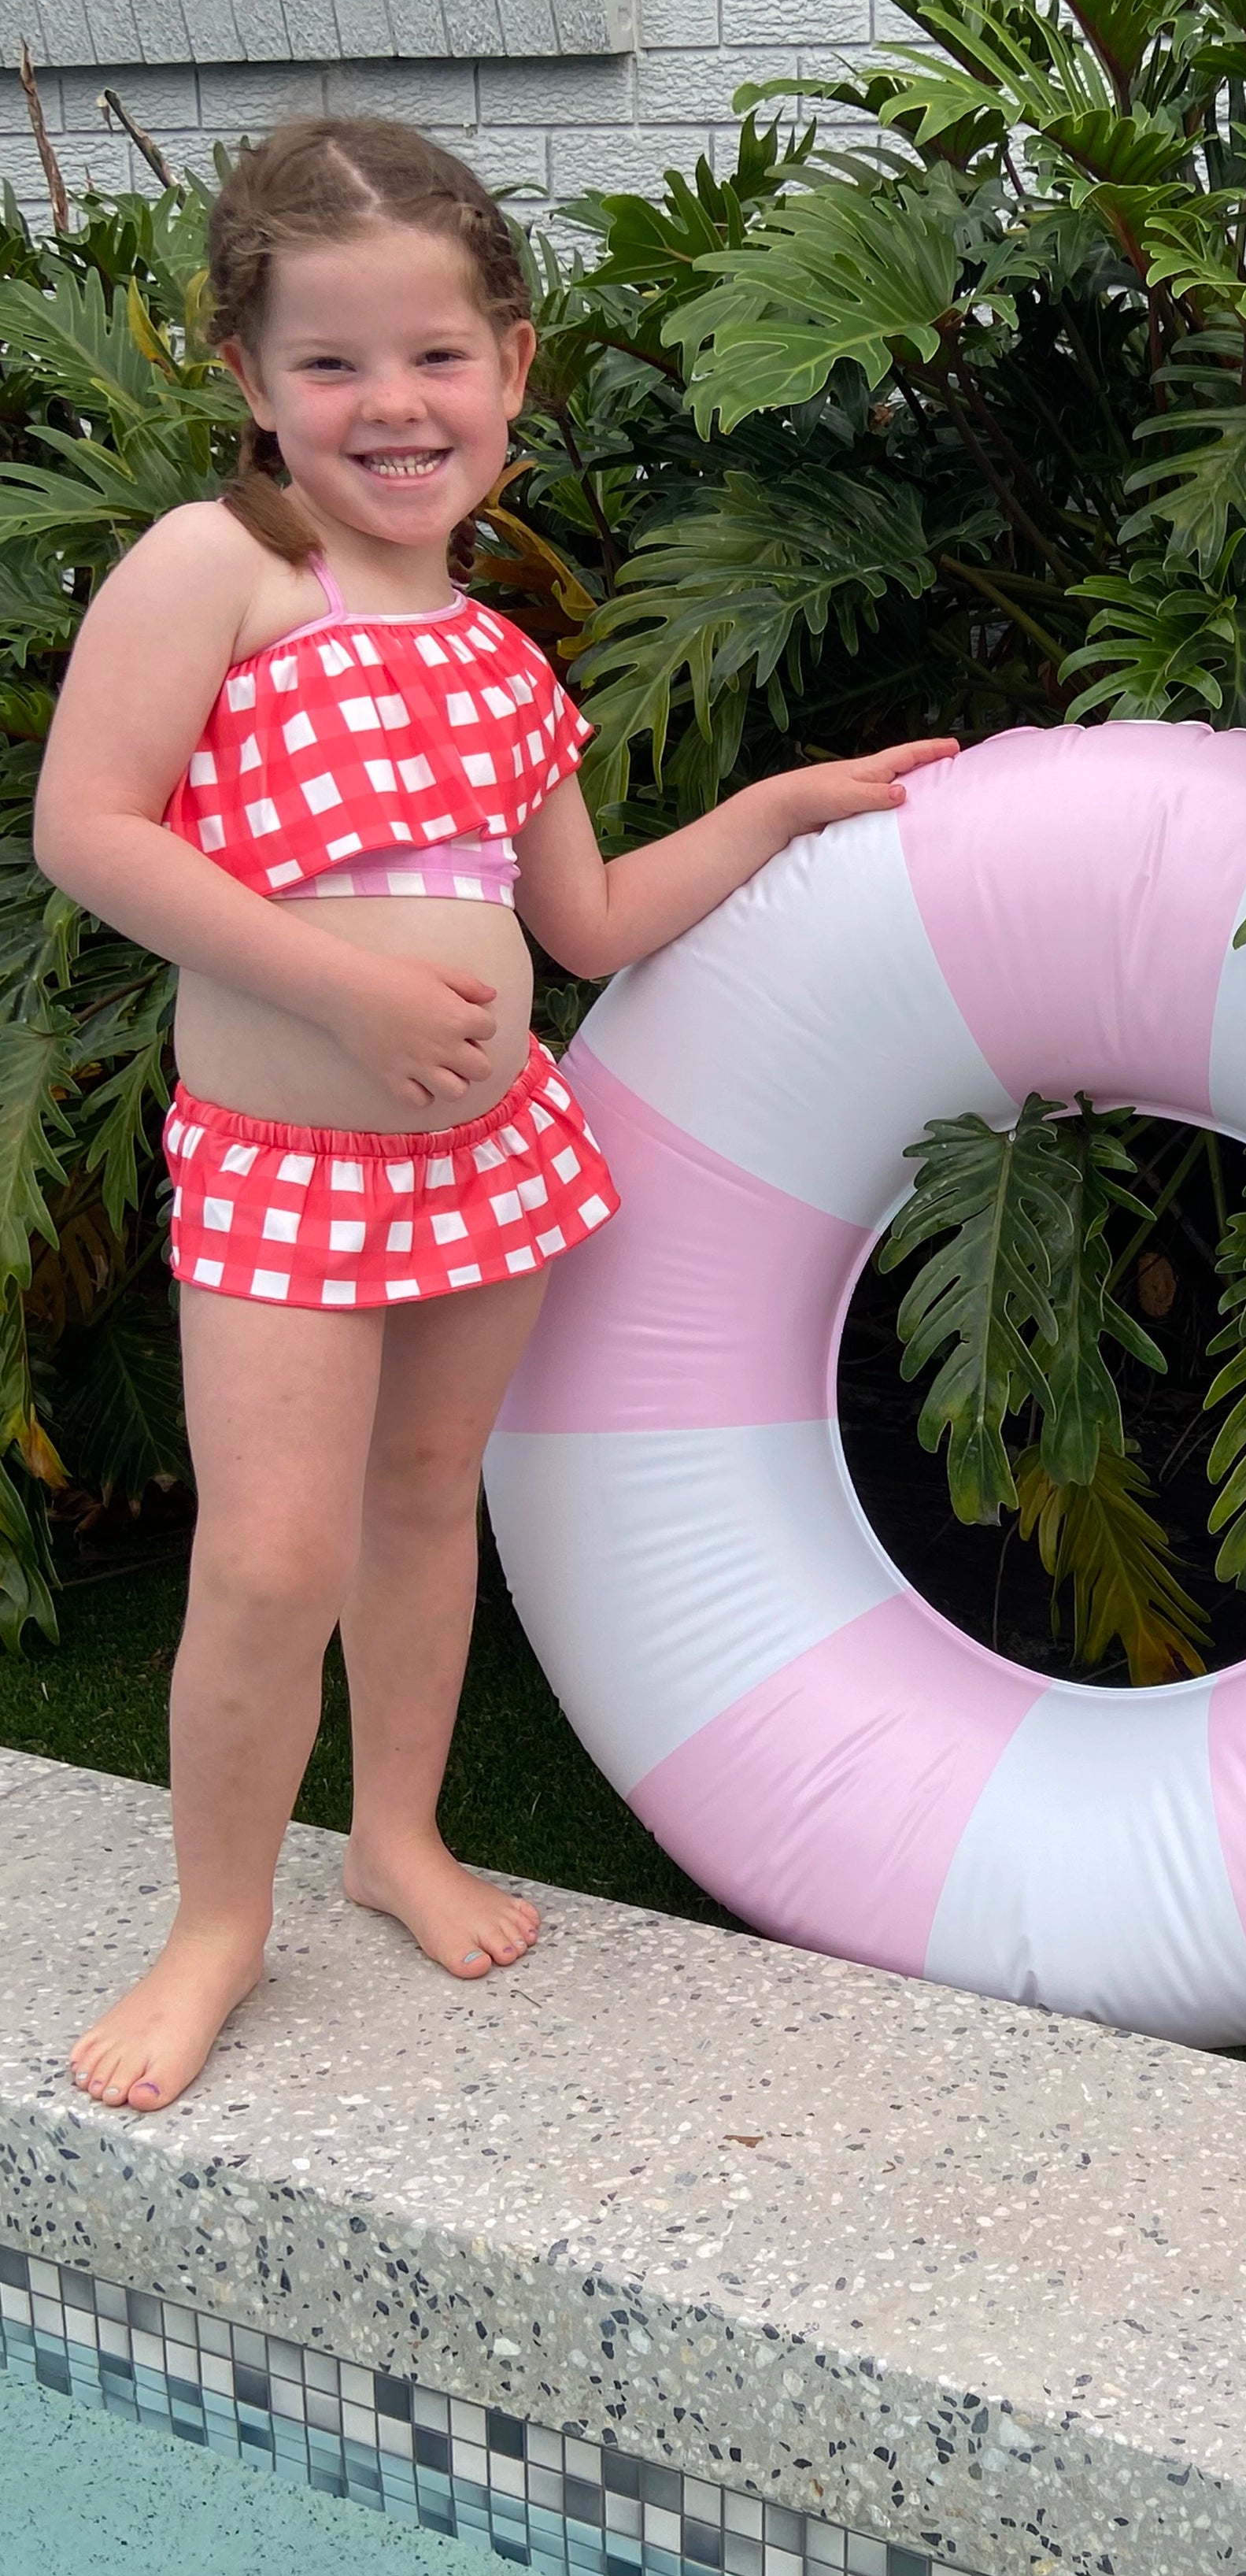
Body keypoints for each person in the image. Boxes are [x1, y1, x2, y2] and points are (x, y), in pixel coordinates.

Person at [34, 119, 952, 2114]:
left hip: (482, 1159)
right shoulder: (221, 573)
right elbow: (87, 832)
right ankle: (216, 1926)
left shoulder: (501, 661)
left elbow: (589, 918)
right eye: (335, 363)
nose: (392, 405)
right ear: (249, 381)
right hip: (286, 1172)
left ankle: (395, 1833)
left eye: (437, 357)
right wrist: (348, 986)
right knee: (272, 1559)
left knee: (420, 1505)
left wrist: (783, 807)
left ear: (514, 367)